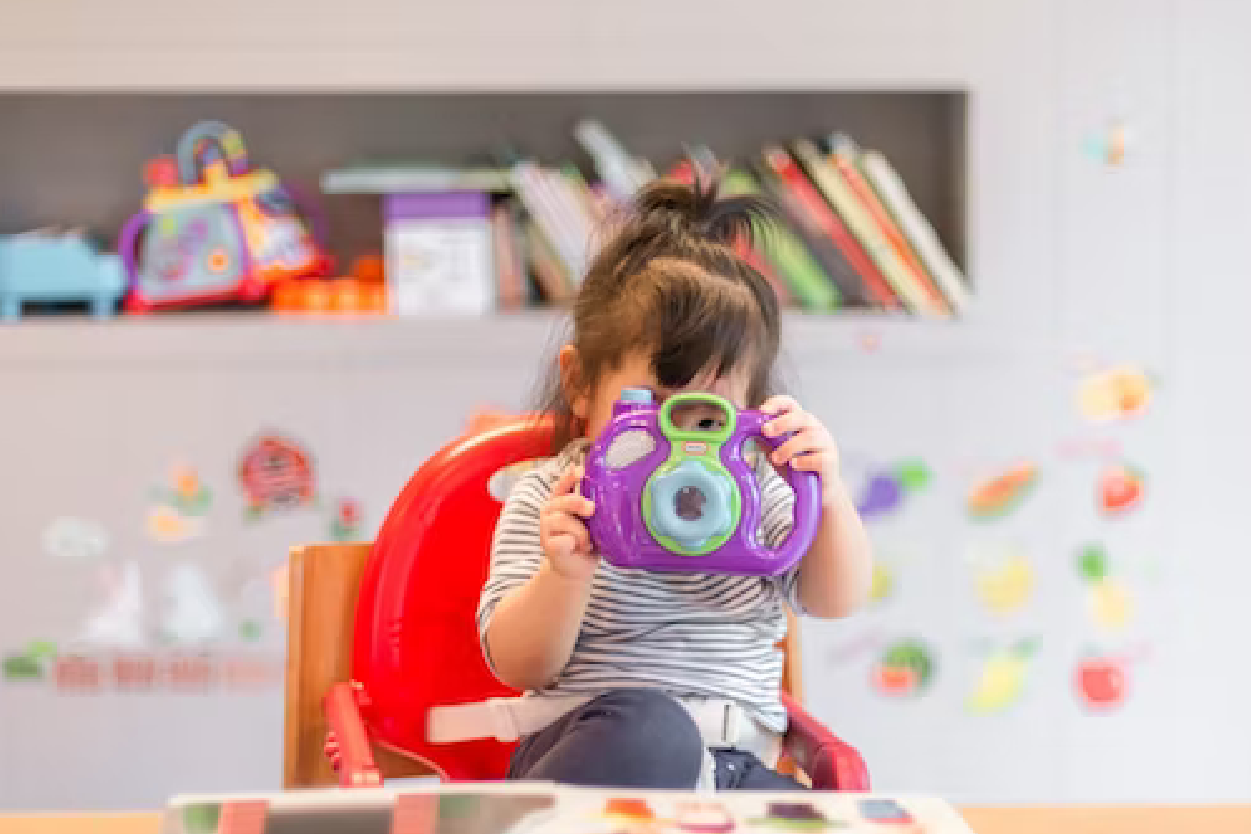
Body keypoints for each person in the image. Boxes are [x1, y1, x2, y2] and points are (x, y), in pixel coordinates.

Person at [477, 174, 873, 791]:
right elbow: (518, 662)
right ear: (581, 384)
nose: (679, 448)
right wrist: (565, 575)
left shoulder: (755, 491)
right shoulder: (557, 497)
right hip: (601, 755)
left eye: (707, 418)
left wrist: (826, 490)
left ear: (753, 410)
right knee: (653, 731)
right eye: (653, 409)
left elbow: (836, 599)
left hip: (737, 767)